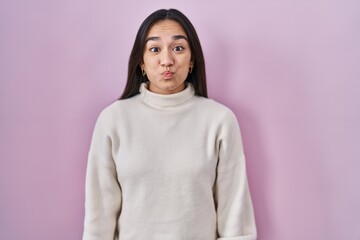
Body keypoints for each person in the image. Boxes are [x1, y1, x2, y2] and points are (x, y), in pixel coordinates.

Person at [82, 8, 257, 240]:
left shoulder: (219, 120)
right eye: (155, 49)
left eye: (178, 48)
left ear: (192, 59)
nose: (167, 60)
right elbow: (99, 219)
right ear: (141, 62)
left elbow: (236, 218)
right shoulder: (113, 120)